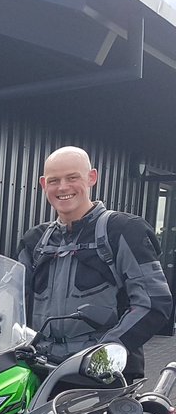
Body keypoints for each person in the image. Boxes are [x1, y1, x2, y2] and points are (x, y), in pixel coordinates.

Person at [17, 146, 172, 381]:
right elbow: (10, 298)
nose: (63, 187)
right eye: (54, 180)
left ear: (92, 178)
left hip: (105, 374)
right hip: (41, 367)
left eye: (72, 177)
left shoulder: (123, 230)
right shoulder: (35, 240)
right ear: (43, 184)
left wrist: (105, 354)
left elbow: (153, 302)